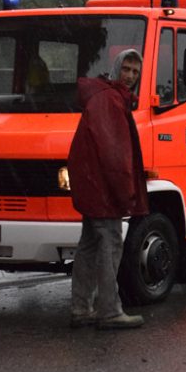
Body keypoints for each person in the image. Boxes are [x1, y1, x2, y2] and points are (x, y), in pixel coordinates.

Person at [68, 48, 149, 330]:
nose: (130, 76)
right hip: (102, 187)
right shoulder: (111, 101)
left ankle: (81, 308)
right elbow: (115, 154)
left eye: (135, 72)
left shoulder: (103, 96)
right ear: (116, 69)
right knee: (110, 245)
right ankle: (109, 311)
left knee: (89, 246)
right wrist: (125, 192)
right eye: (126, 69)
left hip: (92, 183)